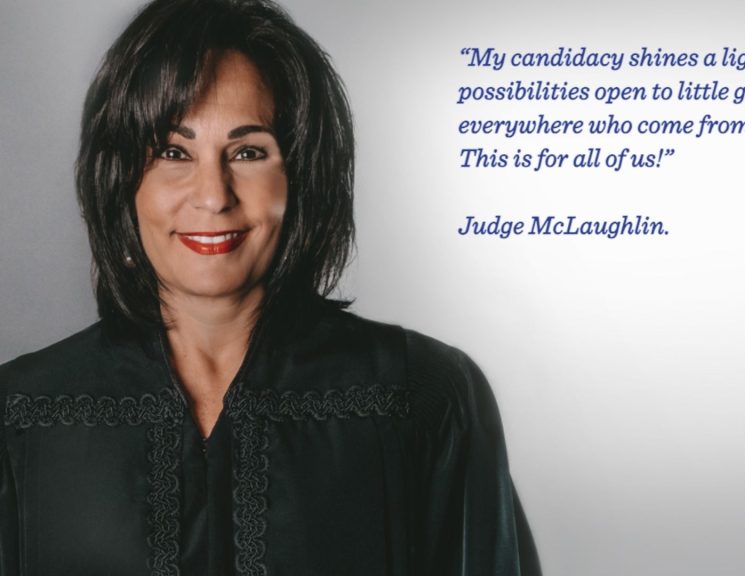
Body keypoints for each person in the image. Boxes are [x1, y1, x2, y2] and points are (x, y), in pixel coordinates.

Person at [0, 0, 540, 574]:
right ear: (121, 180)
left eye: (249, 152)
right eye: (173, 152)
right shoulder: (21, 415)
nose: (213, 195)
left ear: (300, 177)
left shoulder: (428, 398)